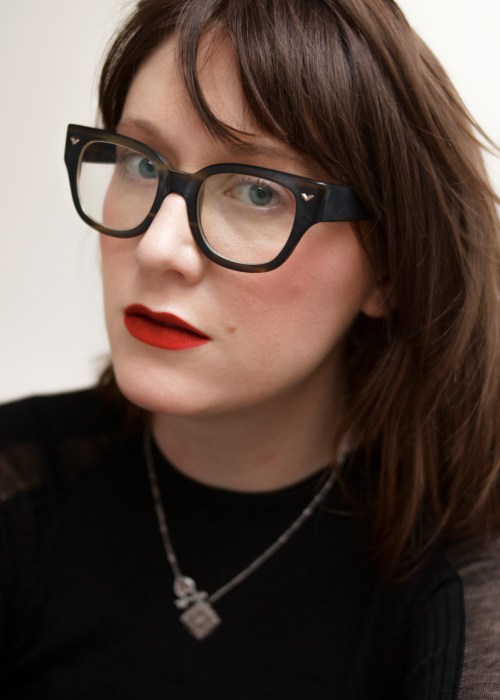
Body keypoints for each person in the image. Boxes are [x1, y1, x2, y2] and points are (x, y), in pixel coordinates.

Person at [1, 0, 499, 697]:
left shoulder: (463, 581)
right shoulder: (19, 482)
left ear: (390, 268)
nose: (159, 247)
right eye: (141, 163)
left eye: (258, 192)